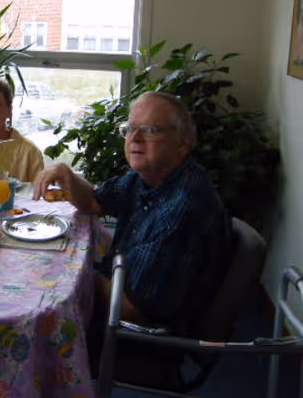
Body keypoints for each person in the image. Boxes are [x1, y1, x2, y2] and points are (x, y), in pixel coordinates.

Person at [32, 91, 234, 332]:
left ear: (182, 143)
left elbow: (131, 311)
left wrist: (71, 273)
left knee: (33, 313)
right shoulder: (149, 176)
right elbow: (95, 202)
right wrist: (68, 175)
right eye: (130, 128)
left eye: (151, 130)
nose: (135, 138)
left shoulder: (181, 210)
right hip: (115, 289)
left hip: (140, 337)